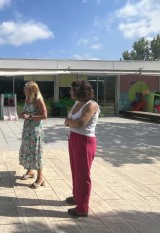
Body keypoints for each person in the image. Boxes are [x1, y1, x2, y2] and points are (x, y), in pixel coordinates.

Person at [64, 80, 100, 218]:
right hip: (73, 138)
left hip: (85, 142)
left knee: (83, 174)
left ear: (79, 90)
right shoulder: (77, 103)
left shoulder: (91, 105)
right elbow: (68, 120)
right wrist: (69, 122)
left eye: (72, 89)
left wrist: (69, 122)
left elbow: (80, 123)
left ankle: (82, 208)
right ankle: (77, 196)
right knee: (75, 170)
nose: (70, 92)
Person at [19, 81, 47, 189]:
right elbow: (25, 112)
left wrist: (29, 117)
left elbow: (44, 115)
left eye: (25, 88)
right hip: (27, 130)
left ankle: (40, 178)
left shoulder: (38, 100)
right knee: (28, 151)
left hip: (35, 131)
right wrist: (23, 114)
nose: (23, 90)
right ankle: (30, 171)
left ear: (31, 90)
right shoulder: (27, 99)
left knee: (36, 153)